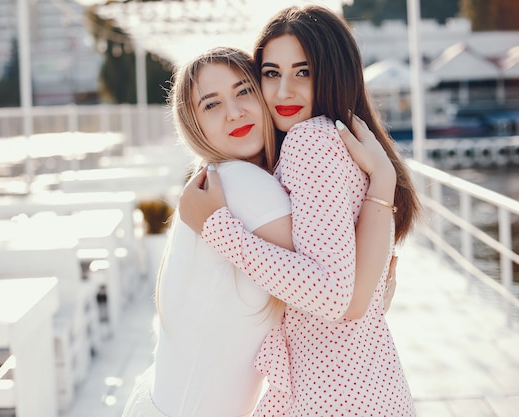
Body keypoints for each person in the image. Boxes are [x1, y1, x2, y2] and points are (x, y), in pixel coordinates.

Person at [122, 44, 399, 417]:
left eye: (243, 91)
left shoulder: (230, 181)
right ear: (193, 125)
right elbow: (341, 296)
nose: (234, 112)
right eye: (212, 105)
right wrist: (383, 180)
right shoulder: (243, 186)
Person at [178, 5, 421, 417]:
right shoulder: (340, 141)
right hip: (368, 386)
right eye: (271, 73)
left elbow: (333, 295)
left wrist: (219, 229)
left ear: (333, 73)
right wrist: (382, 177)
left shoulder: (309, 142)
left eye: (303, 72)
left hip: (338, 396)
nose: (284, 91)